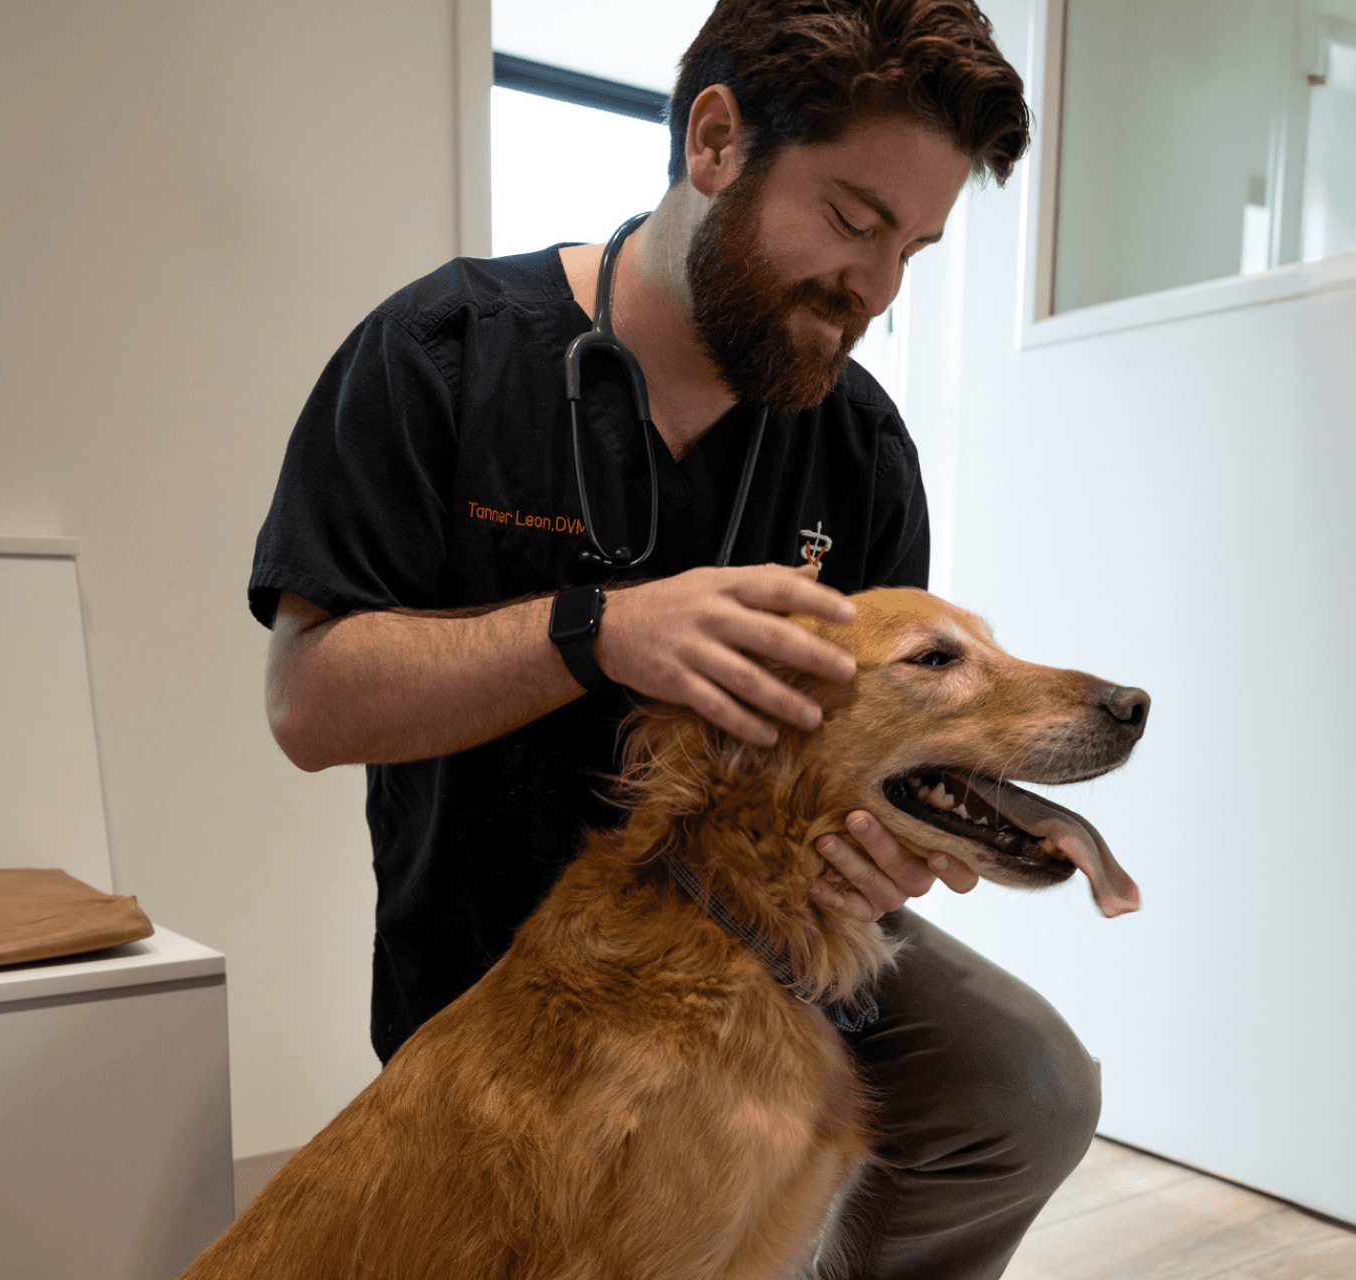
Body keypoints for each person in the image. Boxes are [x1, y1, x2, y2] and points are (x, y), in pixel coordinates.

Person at [248, 2, 1095, 1273]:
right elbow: (309, 702)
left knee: (1022, 1082)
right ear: (714, 140)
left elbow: (871, 749)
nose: (876, 288)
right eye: (856, 221)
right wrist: (599, 629)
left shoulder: (857, 443)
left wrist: (889, 845)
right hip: (504, 959)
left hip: (769, 928)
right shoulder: (443, 357)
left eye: (914, 248)